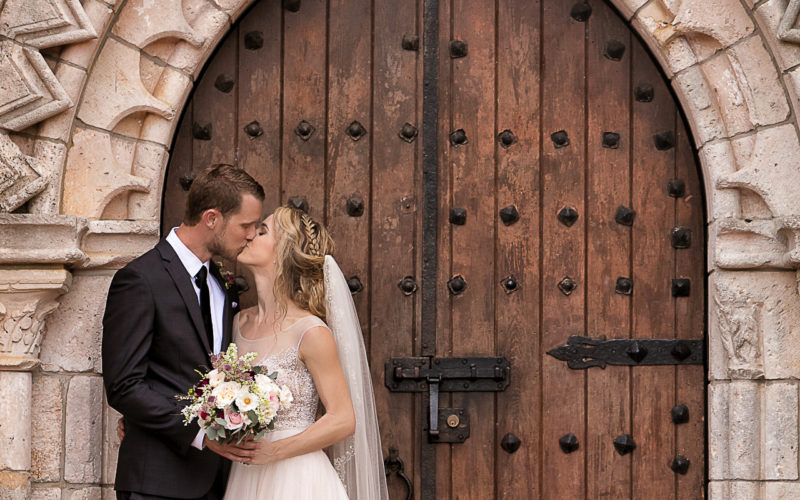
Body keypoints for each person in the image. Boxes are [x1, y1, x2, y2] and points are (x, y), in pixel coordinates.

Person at [102, 164, 265, 500]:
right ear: (212, 218)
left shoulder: (223, 284)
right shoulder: (140, 280)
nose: (251, 235)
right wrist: (203, 434)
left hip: (217, 482)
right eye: (245, 225)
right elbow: (124, 386)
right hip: (155, 482)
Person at [223, 206, 389, 499]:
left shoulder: (310, 332)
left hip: (297, 476)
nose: (249, 235)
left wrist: (273, 451)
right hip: (246, 474)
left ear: (284, 252)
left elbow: (343, 419)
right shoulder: (237, 323)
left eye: (262, 231)